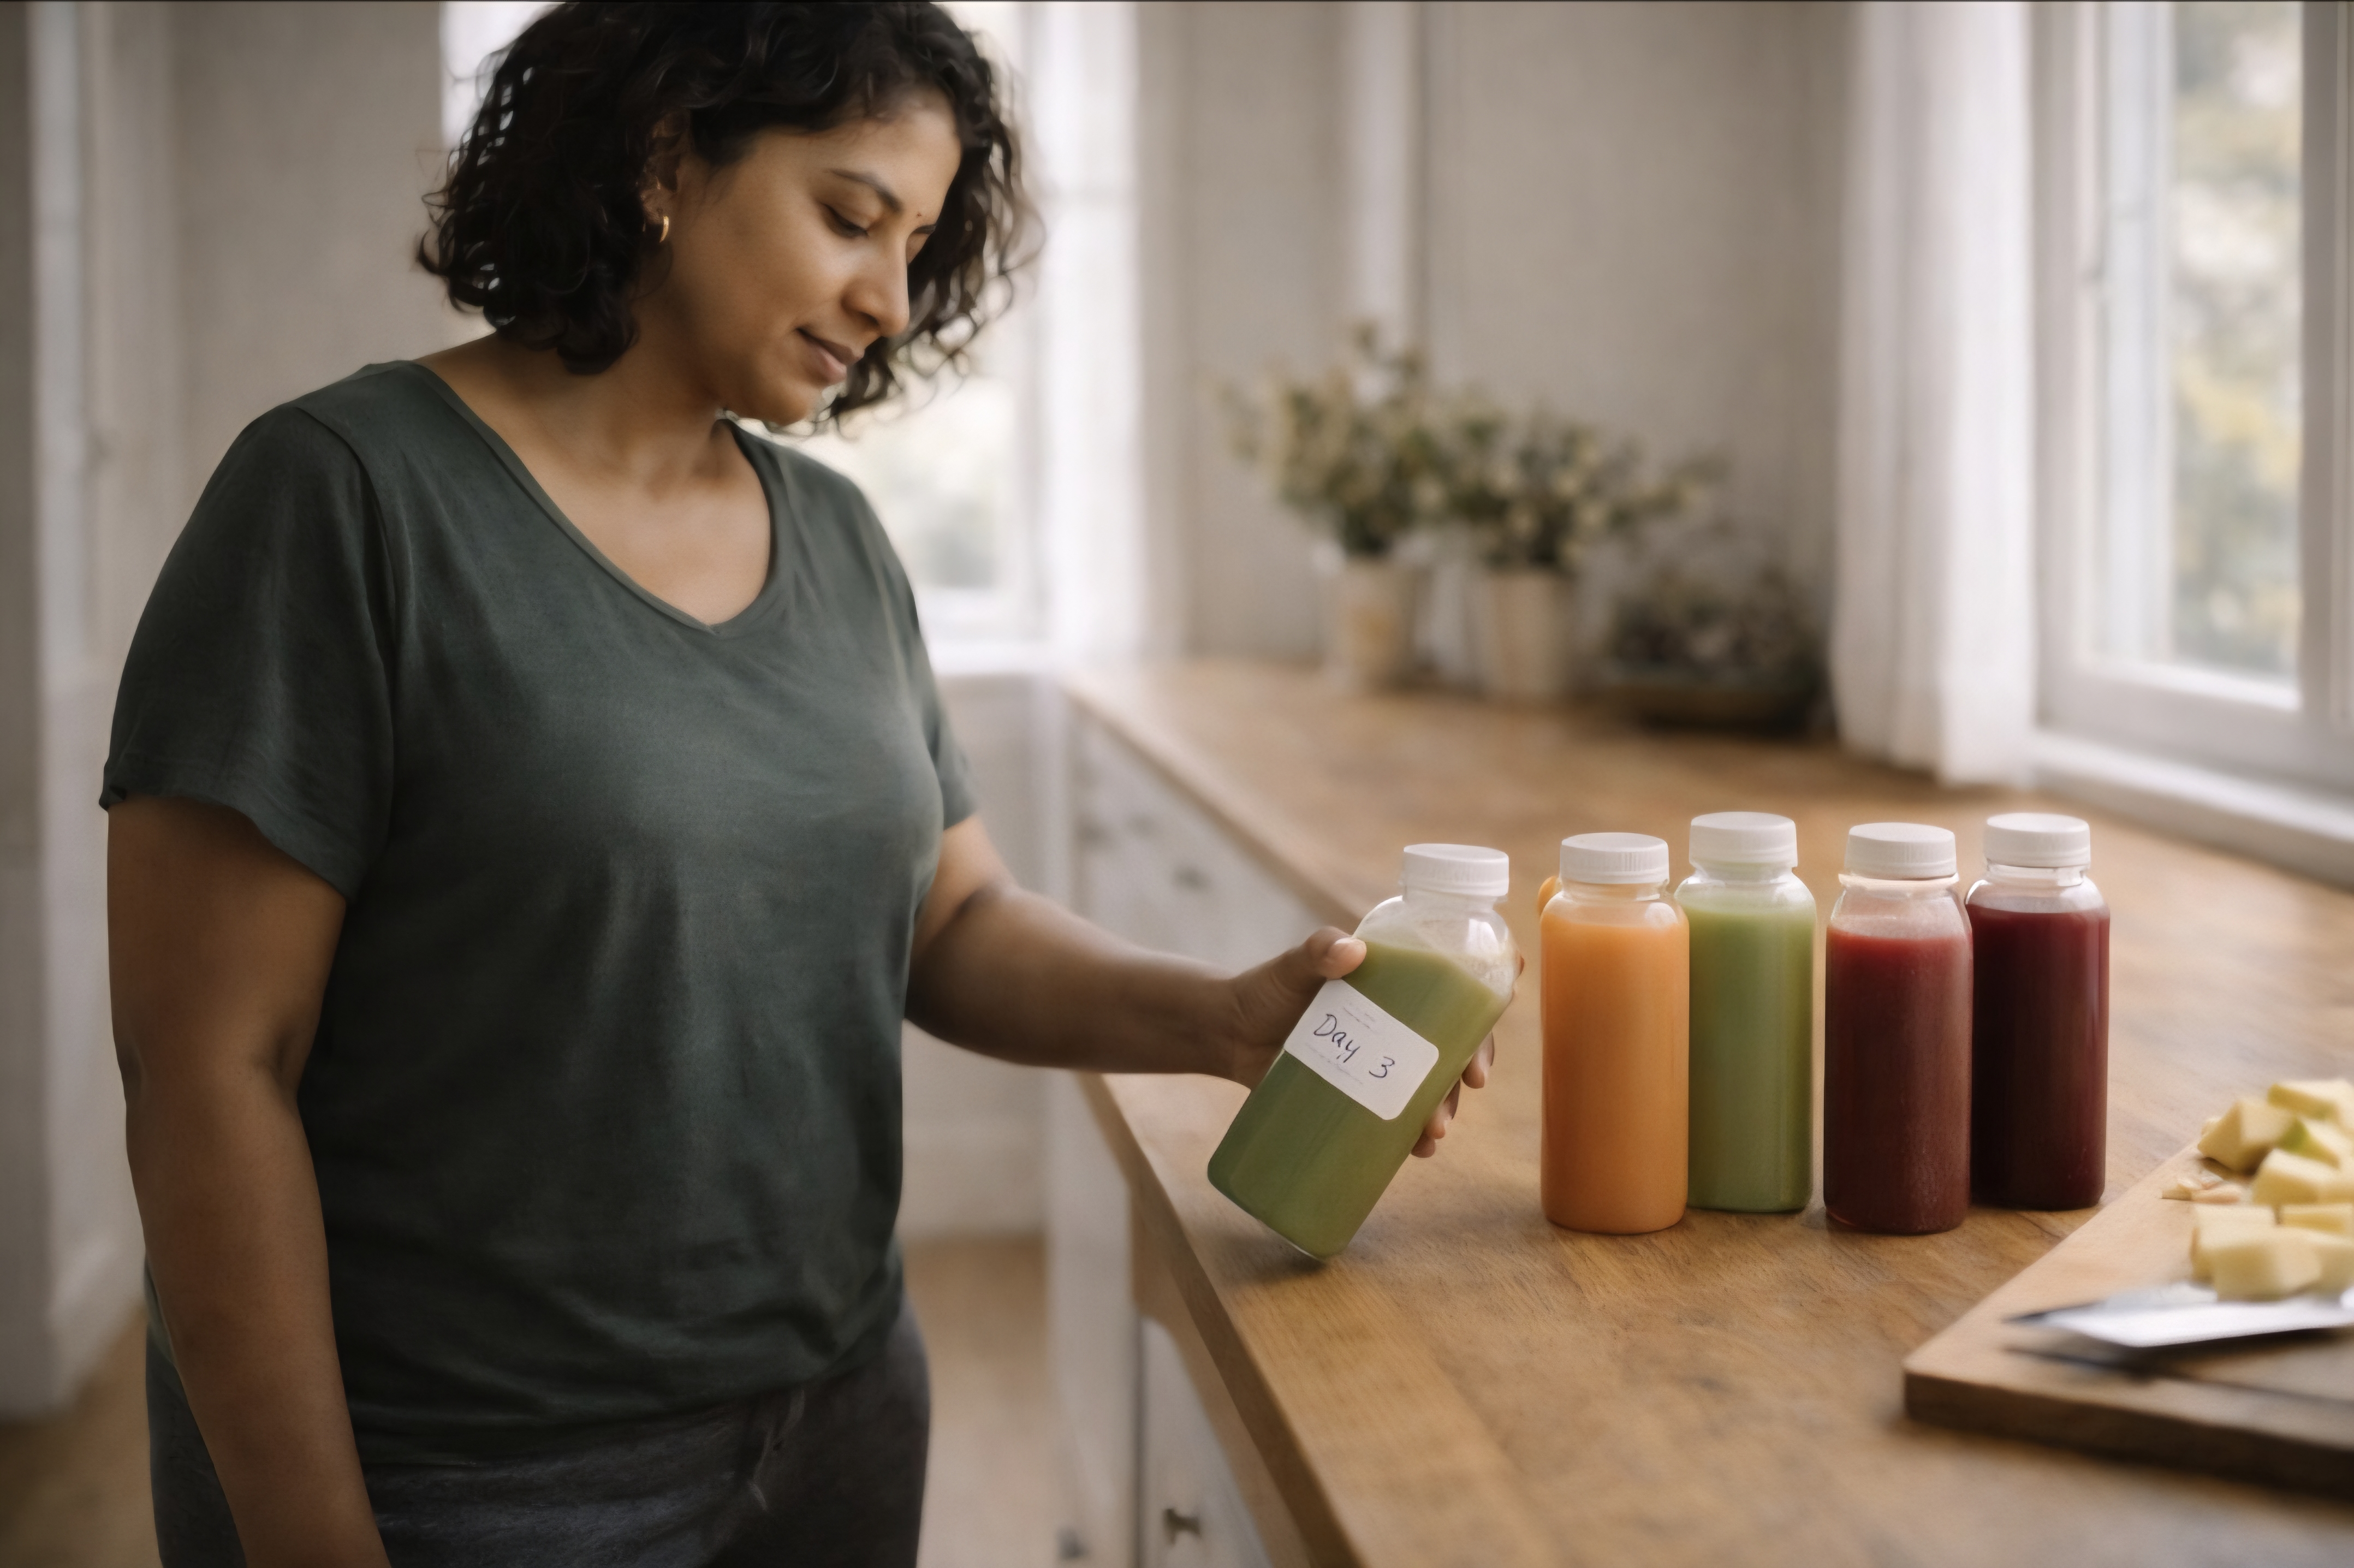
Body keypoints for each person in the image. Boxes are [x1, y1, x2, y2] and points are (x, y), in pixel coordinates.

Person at [105, 5, 1500, 1565]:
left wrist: (1221, 1021)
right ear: (662, 156)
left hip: (837, 1417)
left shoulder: (837, 541)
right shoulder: (343, 500)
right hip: (469, 1476)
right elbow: (211, 1071)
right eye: (850, 217)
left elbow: (946, 916)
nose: (891, 299)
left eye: (917, 244)